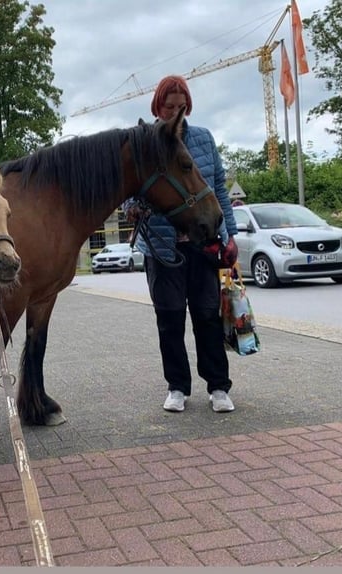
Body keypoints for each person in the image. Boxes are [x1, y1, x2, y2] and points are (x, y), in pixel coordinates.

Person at [123, 75, 238, 413]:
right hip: (161, 246)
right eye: (169, 106)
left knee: (207, 316)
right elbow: (129, 195)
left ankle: (218, 386)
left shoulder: (203, 139)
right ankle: (177, 387)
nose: (176, 112)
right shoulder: (144, 143)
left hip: (203, 244)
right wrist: (133, 209)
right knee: (170, 318)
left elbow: (219, 190)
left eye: (181, 106)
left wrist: (230, 237)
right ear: (157, 106)